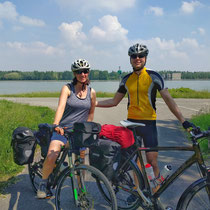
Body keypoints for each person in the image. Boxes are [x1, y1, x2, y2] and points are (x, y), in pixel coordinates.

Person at [96, 43, 192, 183]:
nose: (137, 58)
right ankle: (138, 191)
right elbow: (114, 101)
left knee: (152, 161)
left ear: (145, 58)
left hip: (148, 124)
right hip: (131, 124)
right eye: (134, 56)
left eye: (141, 55)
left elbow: (168, 99)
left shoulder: (154, 76)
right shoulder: (126, 80)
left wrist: (183, 120)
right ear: (130, 59)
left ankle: (156, 190)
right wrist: (94, 103)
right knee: (135, 162)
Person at [37, 58, 96, 198]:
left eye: (85, 71)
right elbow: (61, 107)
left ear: (88, 73)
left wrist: (87, 130)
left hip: (79, 132)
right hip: (63, 130)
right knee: (53, 153)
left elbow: (91, 114)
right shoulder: (67, 88)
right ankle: (43, 183)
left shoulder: (92, 92)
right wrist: (56, 125)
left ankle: (81, 189)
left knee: (80, 162)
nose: (83, 74)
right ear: (75, 73)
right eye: (79, 71)